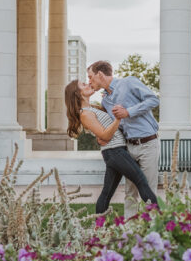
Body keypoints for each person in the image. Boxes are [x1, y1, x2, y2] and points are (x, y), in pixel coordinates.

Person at [64, 79, 159, 214]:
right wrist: (118, 118)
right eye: (83, 85)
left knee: (107, 193)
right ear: (77, 93)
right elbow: (105, 135)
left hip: (114, 153)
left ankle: (98, 227)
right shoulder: (85, 114)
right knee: (141, 183)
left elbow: (103, 132)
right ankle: (161, 218)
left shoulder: (92, 108)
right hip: (115, 153)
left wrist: (109, 99)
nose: (88, 84)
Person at [87, 60, 160, 215]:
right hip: (128, 147)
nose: (90, 81)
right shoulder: (105, 101)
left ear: (100, 74)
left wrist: (129, 111)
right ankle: (129, 234)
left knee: (148, 190)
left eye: (91, 77)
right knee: (130, 192)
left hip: (148, 144)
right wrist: (102, 137)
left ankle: (154, 233)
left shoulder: (128, 82)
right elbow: (117, 125)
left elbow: (153, 100)